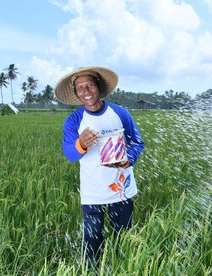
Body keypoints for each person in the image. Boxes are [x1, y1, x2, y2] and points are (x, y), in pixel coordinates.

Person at [54, 66, 144, 264]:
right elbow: (70, 154)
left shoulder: (120, 113)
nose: (86, 91)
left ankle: (123, 272)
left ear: (99, 87)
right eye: (80, 88)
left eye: (90, 85)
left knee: (124, 239)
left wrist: (128, 159)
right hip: (92, 193)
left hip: (122, 190)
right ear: (76, 94)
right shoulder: (74, 121)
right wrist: (81, 144)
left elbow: (137, 142)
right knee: (92, 244)